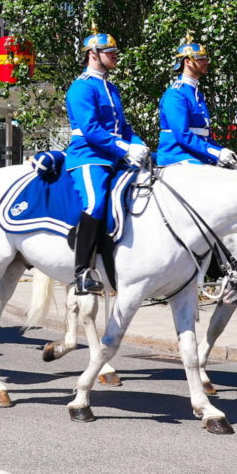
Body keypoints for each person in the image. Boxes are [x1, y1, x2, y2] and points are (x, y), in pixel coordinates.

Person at [64, 25, 149, 295]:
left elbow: (123, 128)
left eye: (114, 51)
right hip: (89, 155)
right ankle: (82, 273)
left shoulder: (110, 88)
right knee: (95, 202)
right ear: (93, 54)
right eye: (109, 52)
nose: (115, 56)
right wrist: (125, 148)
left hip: (114, 154)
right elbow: (91, 130)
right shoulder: (81, 87)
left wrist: (137, 145)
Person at [156, 37, 237, 168]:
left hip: (198, 156)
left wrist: (221, 151)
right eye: (201, 59)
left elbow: (202, 135)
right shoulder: (176, 94)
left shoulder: (195, 93)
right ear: (188, 62)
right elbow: (182, 135)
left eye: (206, 59)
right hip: (177, 156)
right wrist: (215, 153)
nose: (206, 62)